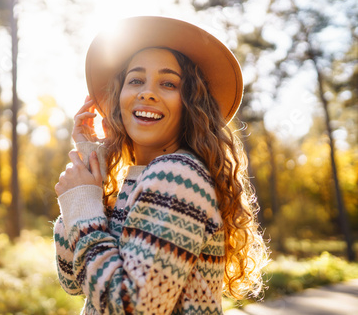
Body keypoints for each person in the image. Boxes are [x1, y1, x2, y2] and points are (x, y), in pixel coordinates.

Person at [53, 16, 268, 315]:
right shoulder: (133, 179)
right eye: (136, 80)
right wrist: (91, 167)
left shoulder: (177, 175)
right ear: (118, 100)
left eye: (168, 83)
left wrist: (82, 205)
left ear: (191, 103)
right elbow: (73, 280)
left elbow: (133, 308)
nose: (147, 92)